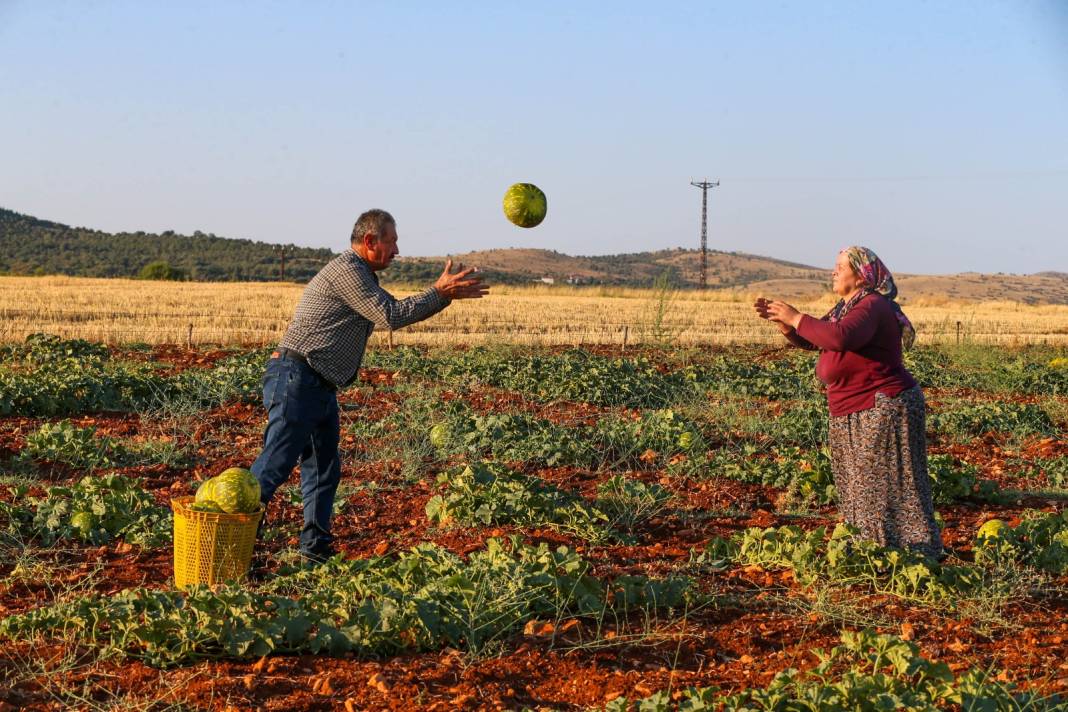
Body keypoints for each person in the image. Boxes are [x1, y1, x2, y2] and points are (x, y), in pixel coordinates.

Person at [251, 209, 488, 563]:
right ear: (370, 241)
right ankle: (228, 546)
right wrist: (440, 293)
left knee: (323, 471)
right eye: (391, 241)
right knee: (274, 466)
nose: (396, 250)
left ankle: (314, 552)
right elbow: (390, 314)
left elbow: (393, 311)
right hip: (297, 378)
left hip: (317, 383)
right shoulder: (348, 270)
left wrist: (442, 296)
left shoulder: (361, 274)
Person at [754, 246, 942, 559]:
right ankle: (873, 550)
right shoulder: (848, 306)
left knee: (883, 485)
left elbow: (840, 338)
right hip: (854, 407)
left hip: (883, 405)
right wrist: (786, 325)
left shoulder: (871, 305)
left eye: (840, 267)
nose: (833, 271)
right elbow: (820, 338)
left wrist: (797, 316)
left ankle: (910, 551)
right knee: (858, 484)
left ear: (861, 274)